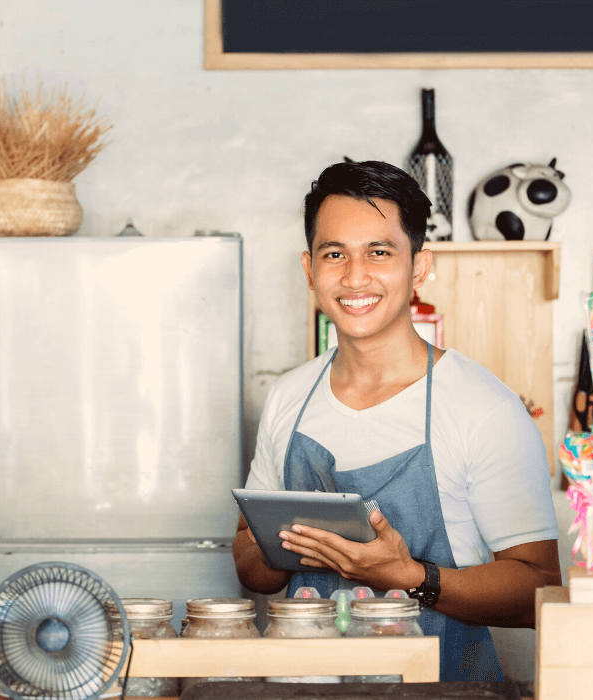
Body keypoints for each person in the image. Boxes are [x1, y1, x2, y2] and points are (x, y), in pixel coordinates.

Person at [233, 160, 560, 681]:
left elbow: (537, 591)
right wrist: (308, 545)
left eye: (379, 252)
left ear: (419, 266)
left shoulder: (483, 407)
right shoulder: (289, 396)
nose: (354, 276)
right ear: (309, 268)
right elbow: (249, 560)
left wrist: (409, 576)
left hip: (443, 689)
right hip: (304, 689)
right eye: (334, 253)